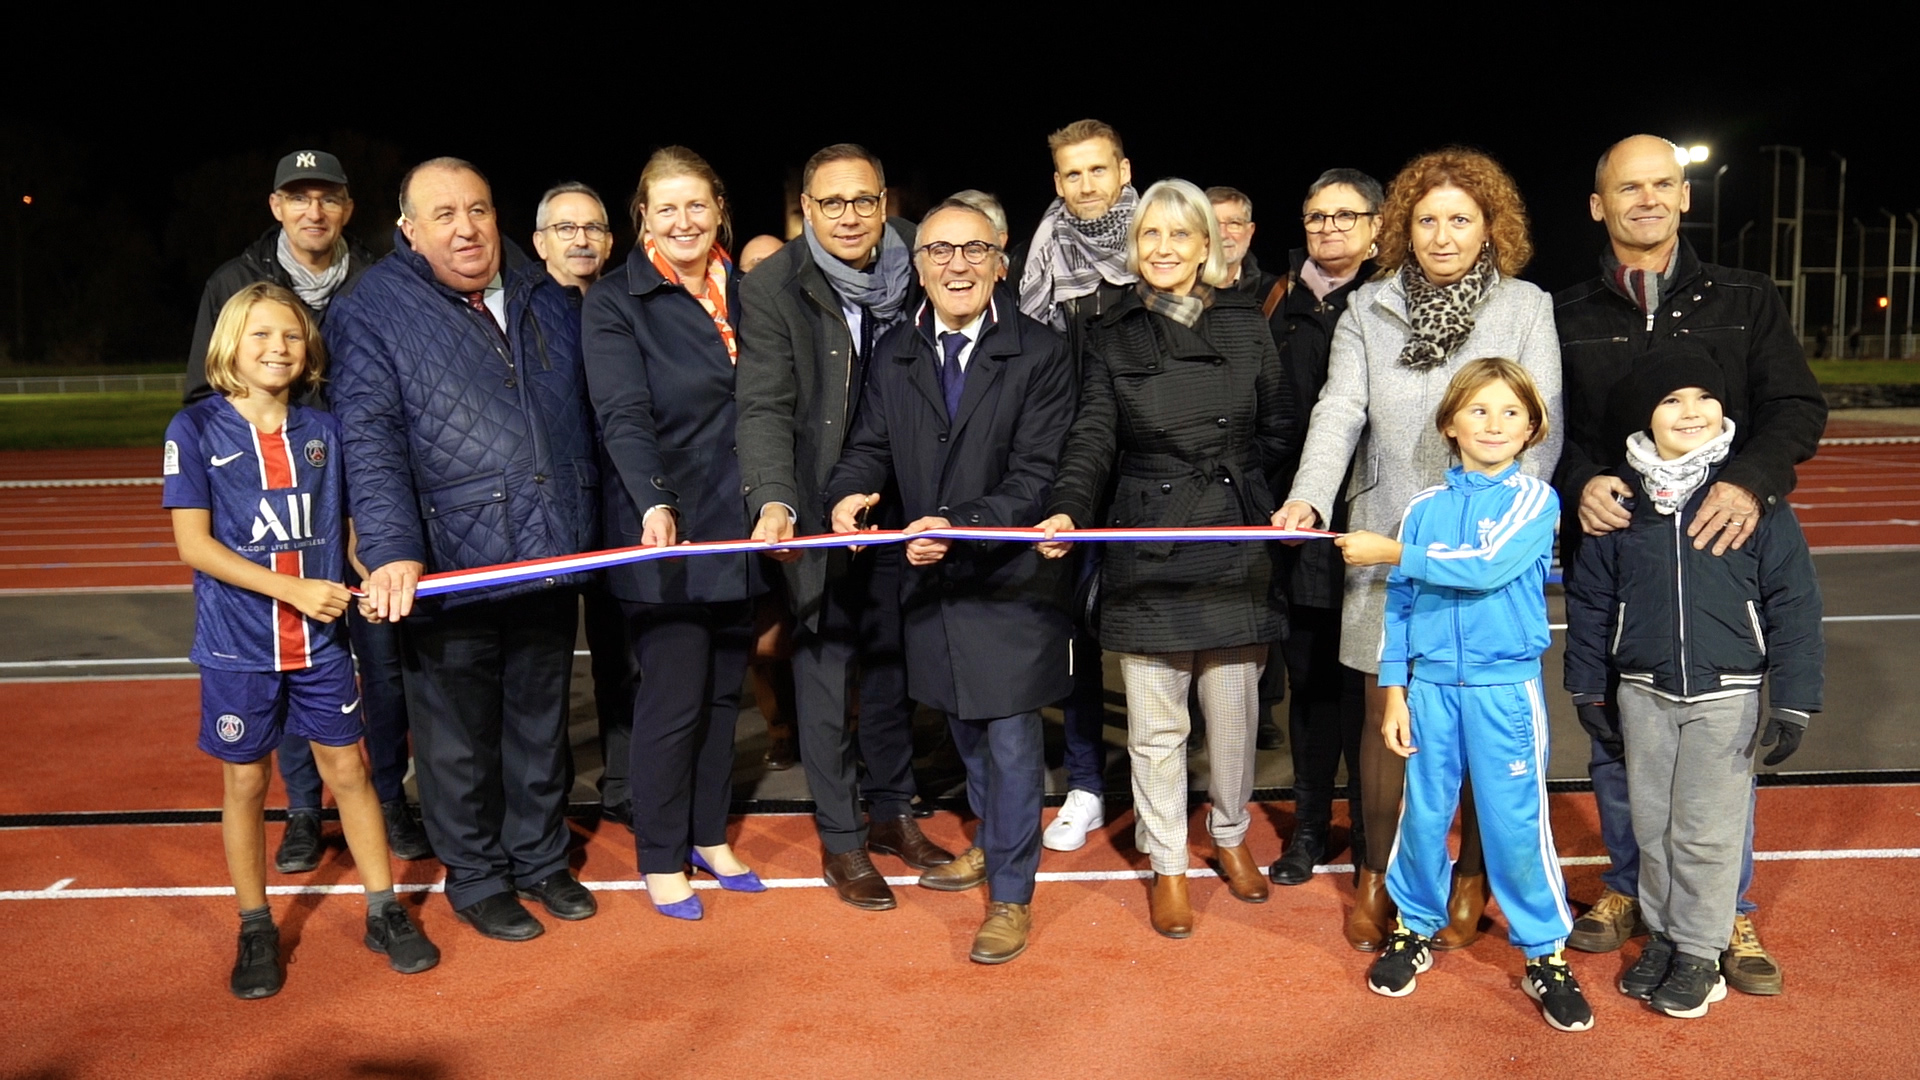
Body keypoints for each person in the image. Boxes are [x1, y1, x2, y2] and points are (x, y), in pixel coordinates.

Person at [1552, 135, 1826, 993]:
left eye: (1662, 184)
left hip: (1717, 552)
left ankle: (1721, 910)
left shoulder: (1745, 298)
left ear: (1684, 196)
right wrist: (1580, 482)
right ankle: (1633, 889)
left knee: (1716, 764)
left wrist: (1750, 482)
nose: (1647, 199)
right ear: (1599, 205)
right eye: (1627, 188)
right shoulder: (1563, 312)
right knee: (1621, 745)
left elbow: (1795, 407)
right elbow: (1547, 429)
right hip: (1622, 555)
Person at [1275, 147, 1563, 952]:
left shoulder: (1525, 307)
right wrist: (1308, 494)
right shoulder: (1367, 308)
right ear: (1404, 227)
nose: (1442, 235)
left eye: (1460, 220)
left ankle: (1470, 873)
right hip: (1385, 542)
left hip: (1485, 546)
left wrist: (1504, 527)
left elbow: (1540, 426)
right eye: (1427, 219)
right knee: (1387, 722)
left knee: (1477, 723)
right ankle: (1380, 874)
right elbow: (1339, 411)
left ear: (1489, 228)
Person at [330, 157, 601, 942]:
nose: (466, 227)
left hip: (549, 549)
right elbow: (370, 437)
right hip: (451, 561)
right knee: (457, 736)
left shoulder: (548, 292)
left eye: (477, 209)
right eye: (442, 215)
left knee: (540, 719)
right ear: (409, 231)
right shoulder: (370, 310)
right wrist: (387, 547)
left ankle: (542, 857)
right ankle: (478, 875)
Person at [1036, 178, 1296, 938]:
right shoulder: (1109, 331)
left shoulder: (1248, 325)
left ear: (1206, 247)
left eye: (1180, 237)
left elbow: (1279, 428)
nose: (1163, 250)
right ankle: (1168, 864)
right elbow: (1091, 438)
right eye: (1150, 236)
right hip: (1149, 541)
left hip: (1231, 539)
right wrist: (1068, 507)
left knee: (1235, 716)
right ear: (1134, 245)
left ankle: (1231, 835)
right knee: (1154, 729)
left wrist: (1254, 498)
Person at [164, 283, 438, 999]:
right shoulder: (193, 431)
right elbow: (194, 545)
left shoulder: (327, 431)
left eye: (289, 336)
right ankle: (255, 925)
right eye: (259, 336)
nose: (276, 348)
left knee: (351, 772)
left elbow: (346, 532)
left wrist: (372, 578)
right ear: (229, 345)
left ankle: (385, 910)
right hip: (237, 647)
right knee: (248, 783)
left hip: (320, 644)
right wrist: (290, 591)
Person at [828, 198, 1077, 962]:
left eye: (974, 250)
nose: (957, 265)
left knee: (1007, 742)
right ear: (921, 264)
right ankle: (995, 844)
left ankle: (1009, 894)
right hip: (932, 580)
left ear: (1002, 258)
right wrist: (851, 488)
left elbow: (1037, 475)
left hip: (1005, 581)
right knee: (966, 727)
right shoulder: (897, 349)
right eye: (940, 251)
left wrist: (951, 522)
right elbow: (870, 443)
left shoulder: (1039, 351)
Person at [181, 150, 427, 873]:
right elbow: (203, 393)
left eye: (328, 198)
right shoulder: (235, 281)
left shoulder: (381, 278)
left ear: (349, 208)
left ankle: (389, 798)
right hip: (278, 508)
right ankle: (302, 812)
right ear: (277, 206)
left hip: (356, 484)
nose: (313, 210)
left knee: (376, 668)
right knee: (288, 661)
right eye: (299, 197)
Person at [1563, 347, 1823, 1019]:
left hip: (1725, 693)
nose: (1692, 411)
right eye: (1672, 400)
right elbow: (1591, 600)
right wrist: (1589, 685)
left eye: (1704, 398)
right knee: (1652, 828)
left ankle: (1703, 955)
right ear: (1645, 417)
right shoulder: (1622, 502)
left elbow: (1793, 601)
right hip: (1641, 690)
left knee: (1706, 832)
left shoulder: (1749, 500)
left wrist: (1793, 699)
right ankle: (1667, 935)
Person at [1338, 358, 1588, 1033]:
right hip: (1430, 692)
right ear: (1450, 424)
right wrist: (1394, 690)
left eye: (1510, 412)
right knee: (1423, 816)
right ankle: (1413, 928)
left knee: (1514, 825)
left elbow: (1485, 570)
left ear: (1533, 428)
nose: (1494, 424)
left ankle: (1544, 953)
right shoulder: (1423, 509)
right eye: (1478, 410)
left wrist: (1391, 553)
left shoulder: (1536, 500)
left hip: (1502, 690)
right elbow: (1404, 605)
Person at [735, 143, 952, 911]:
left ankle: (893, 813)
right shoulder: (771, 284)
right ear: (806, 211)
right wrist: (774, 502)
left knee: (894, 662)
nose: (851, 216)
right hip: (816, 502)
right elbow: (762, 403)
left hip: (906, 494)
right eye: (832, 203)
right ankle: (842, 840)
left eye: (864, 200)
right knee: (824, 668)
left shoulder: (926, 256)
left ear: (885, 199)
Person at [583, 148, 769, 921]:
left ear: (720, 209)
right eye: (667, 209)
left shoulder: (751, 294)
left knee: (728, 690)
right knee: (674, 694)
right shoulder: (618, 301)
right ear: (643, 217)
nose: (684, 222)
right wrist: (655, 503)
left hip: (744, 520)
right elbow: (622, 414)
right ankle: (660, 854)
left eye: (697, 206)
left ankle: (707, 833)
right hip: (667, 526)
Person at [1017, 119, 1140, 854]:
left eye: (1098, 170)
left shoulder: (1163, 240)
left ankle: (1196, 798)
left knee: (1168, 639)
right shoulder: (1044, 255)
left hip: (1156, 471)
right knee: (1075, 642)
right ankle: (1088, 786)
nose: (1087, 186)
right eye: (1072, 174)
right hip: (1078, 469)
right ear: (1057, 181)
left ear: (1124, 170)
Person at [1264, 168, 1383, 886]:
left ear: (1376, 225)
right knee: (1307, 688)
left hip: (1376, 523)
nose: (1329, 227)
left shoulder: (1393, 302)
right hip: (1299, 525)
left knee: (1369, 691)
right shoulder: (1273, 302)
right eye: (1316, 217)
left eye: (1345, 215)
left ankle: (1374, 831)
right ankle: (1309, 828)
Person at [528, 181, 636, 831]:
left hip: (620, 508)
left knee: (621, 654)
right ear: (540, 242)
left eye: (593, 227)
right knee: (544, 664)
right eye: (565, 229)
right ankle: (551, 792)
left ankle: (623, 780)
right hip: (549, 513)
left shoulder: (629, 305)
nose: (581, 239)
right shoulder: (518, 313)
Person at [1207, 185, 1282, 303]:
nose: (1222, 234)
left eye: (1233, 223)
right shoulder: (1179, 288)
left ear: (1250, 231)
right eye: (1213, 224)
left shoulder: (1273, 293)